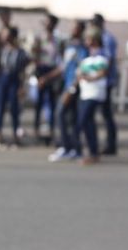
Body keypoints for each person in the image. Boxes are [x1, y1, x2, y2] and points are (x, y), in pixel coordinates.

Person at [48, 20, 88, 162]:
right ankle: (72, 148)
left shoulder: (82, 48)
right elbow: (63, 66)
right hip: (66, 84)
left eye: (75, 28)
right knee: (69, 118)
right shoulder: (70, 46)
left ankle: (69, 147)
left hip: (73, 87)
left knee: (62, 114)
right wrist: (46, 78)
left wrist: (72, 89)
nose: (72, 30)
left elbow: (81, 70)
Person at [0, 26, 28, 148]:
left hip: (14, 80)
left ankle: (16, 136)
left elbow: (22, 69)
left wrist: (22, 86)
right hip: (2, 80)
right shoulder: (2, 50)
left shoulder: (20, 52)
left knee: (14, 108)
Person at [76, 26, 108, 165]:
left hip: (94, 93)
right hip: (85, 93)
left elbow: (102, 72)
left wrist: (89, 78)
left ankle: (92, 151)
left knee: (83, 120)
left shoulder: (101, 56)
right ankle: (93, 152)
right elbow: (79, 74)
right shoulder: (87, 57)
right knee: (88, 122)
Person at [91, 13, 118, 155]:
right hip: (96, 81)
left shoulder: (107, 39)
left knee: (106, 113)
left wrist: (100, 77)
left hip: (104, 81)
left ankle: (111, 144)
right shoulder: (96, 38)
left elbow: (108, 60)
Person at [33, 14, 62, 143]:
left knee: (51, 102)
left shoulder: (58, 39)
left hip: (52, 72)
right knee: (38, 103)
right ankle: (37, 129)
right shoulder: (40, 37)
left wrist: (50, 76)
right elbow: (35, 55)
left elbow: (59, 59)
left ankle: (49, 130)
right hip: (41, 70)